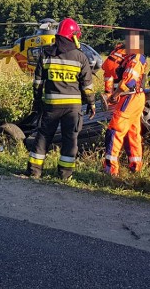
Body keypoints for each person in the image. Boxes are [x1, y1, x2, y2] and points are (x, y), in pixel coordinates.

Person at [26, 17, 96, 180]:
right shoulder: (81, 57)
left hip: (51, 105)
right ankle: (65, 175)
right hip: (72, 108)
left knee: (43, 137)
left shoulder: (46, 54)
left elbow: (37, 83)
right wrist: (91, 103)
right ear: (73, 36)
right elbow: (87, 86)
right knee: (70, 139)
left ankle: (34, 171)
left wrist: (37, 102)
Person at [103, 52, 147, 176]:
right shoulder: (123, 55)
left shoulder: (134, 57)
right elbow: (108, 74)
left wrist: (113, 95)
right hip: (132, 97)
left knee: (114, 131)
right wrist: (110, 93)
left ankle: (110, 169)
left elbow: (129, 81)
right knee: (132, 132)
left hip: (129, 97)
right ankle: (135, 167)